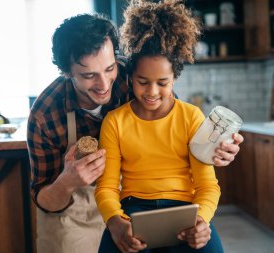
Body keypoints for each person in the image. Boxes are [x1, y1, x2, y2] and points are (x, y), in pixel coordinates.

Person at [27, 13, 243, 253]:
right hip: (77, 202)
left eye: (110, 69)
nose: (104, 84)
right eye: (89, 76)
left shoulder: (140, 79)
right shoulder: (46, 113)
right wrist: (68, 182)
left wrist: (213, 149)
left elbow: (187, 152)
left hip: (150, 202)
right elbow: (43, 196)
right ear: (67, 72)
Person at [95, 1, 224, 252]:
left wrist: (202, 220)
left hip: (186, 213)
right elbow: (107, 187)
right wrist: (115, 222)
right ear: (130, 77)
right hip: (132, 212)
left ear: (174, 77)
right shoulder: (115, 121)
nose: (152, 92)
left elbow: (207, 185)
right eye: (143, 81)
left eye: (162, 82)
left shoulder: (192, 117)